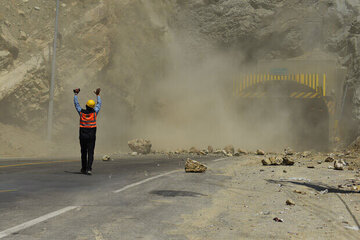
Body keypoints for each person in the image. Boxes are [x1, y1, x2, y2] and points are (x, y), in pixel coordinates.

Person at [73, 88, 102, 175]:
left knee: (83, 152)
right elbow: (99, 104)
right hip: (91, 135)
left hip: (82, 135)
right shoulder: (94, 113)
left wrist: (75, 95)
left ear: (86, 106)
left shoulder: (81, 112)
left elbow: (76, 105)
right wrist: (98, 95)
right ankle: (89, 169)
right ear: (93, 107)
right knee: (90, 152)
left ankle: (83, 168)